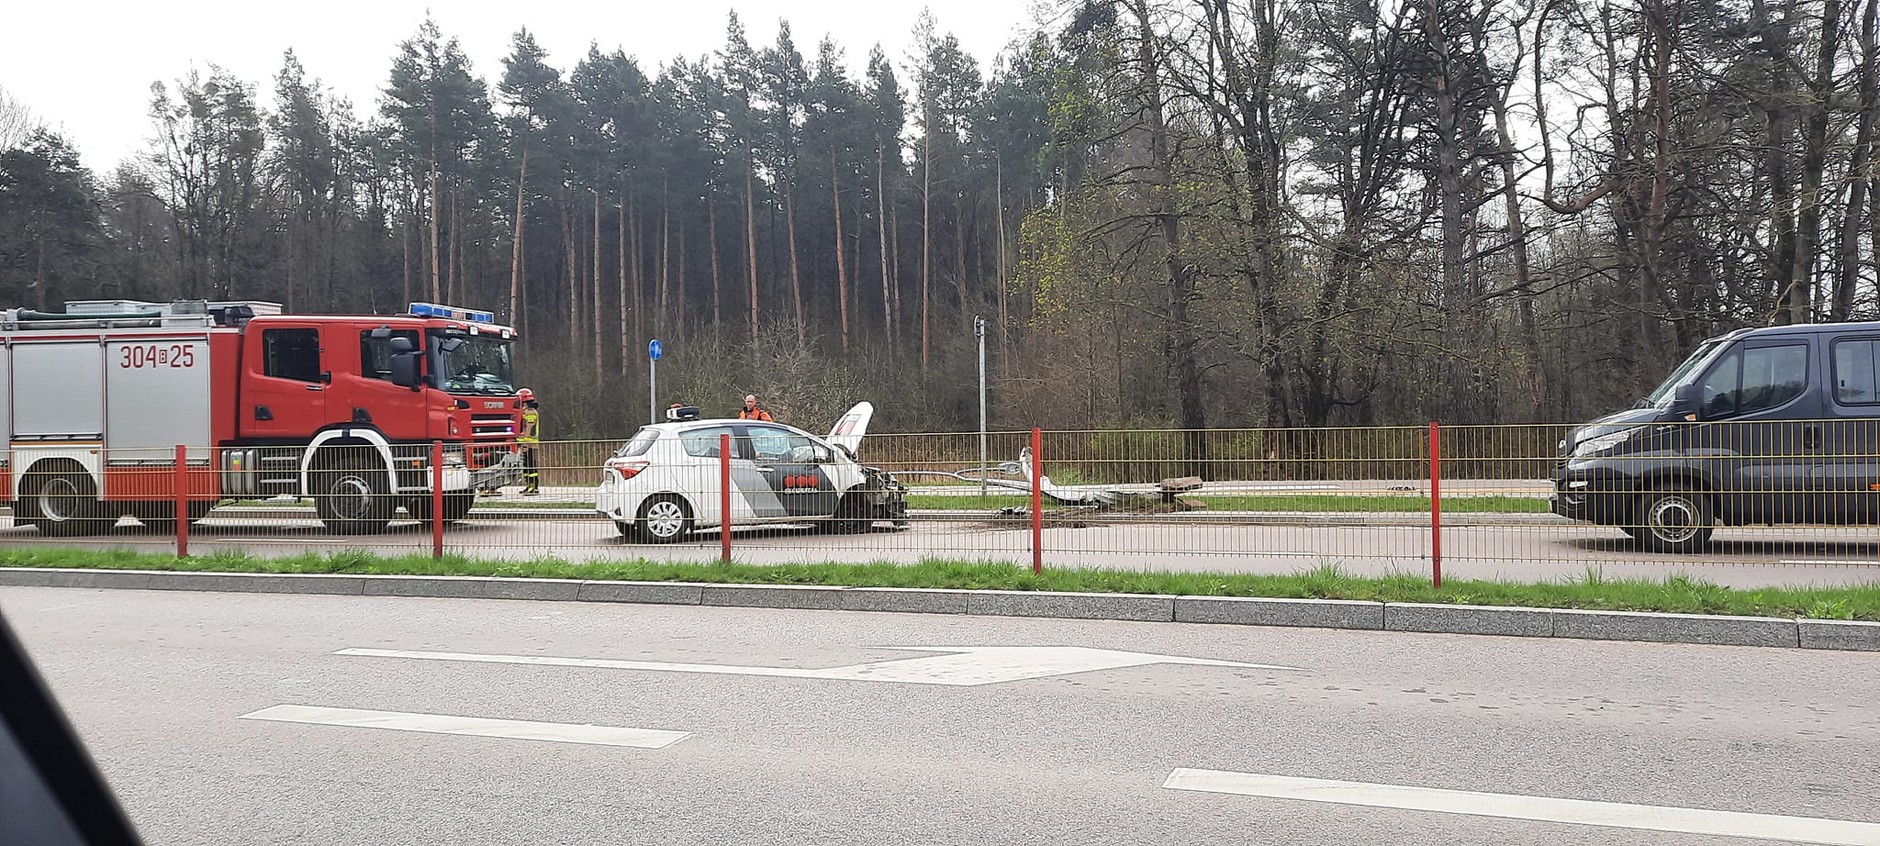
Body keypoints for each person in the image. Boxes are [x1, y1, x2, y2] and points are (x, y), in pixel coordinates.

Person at [517, 387, 541, 496]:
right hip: (526, 444)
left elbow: (529, 429)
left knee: (531, 465)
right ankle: (528, 486)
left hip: (530, 444)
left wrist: (525, 443)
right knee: (526, 465)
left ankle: (534, 487)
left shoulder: (530, 412)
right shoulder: (526, 412)